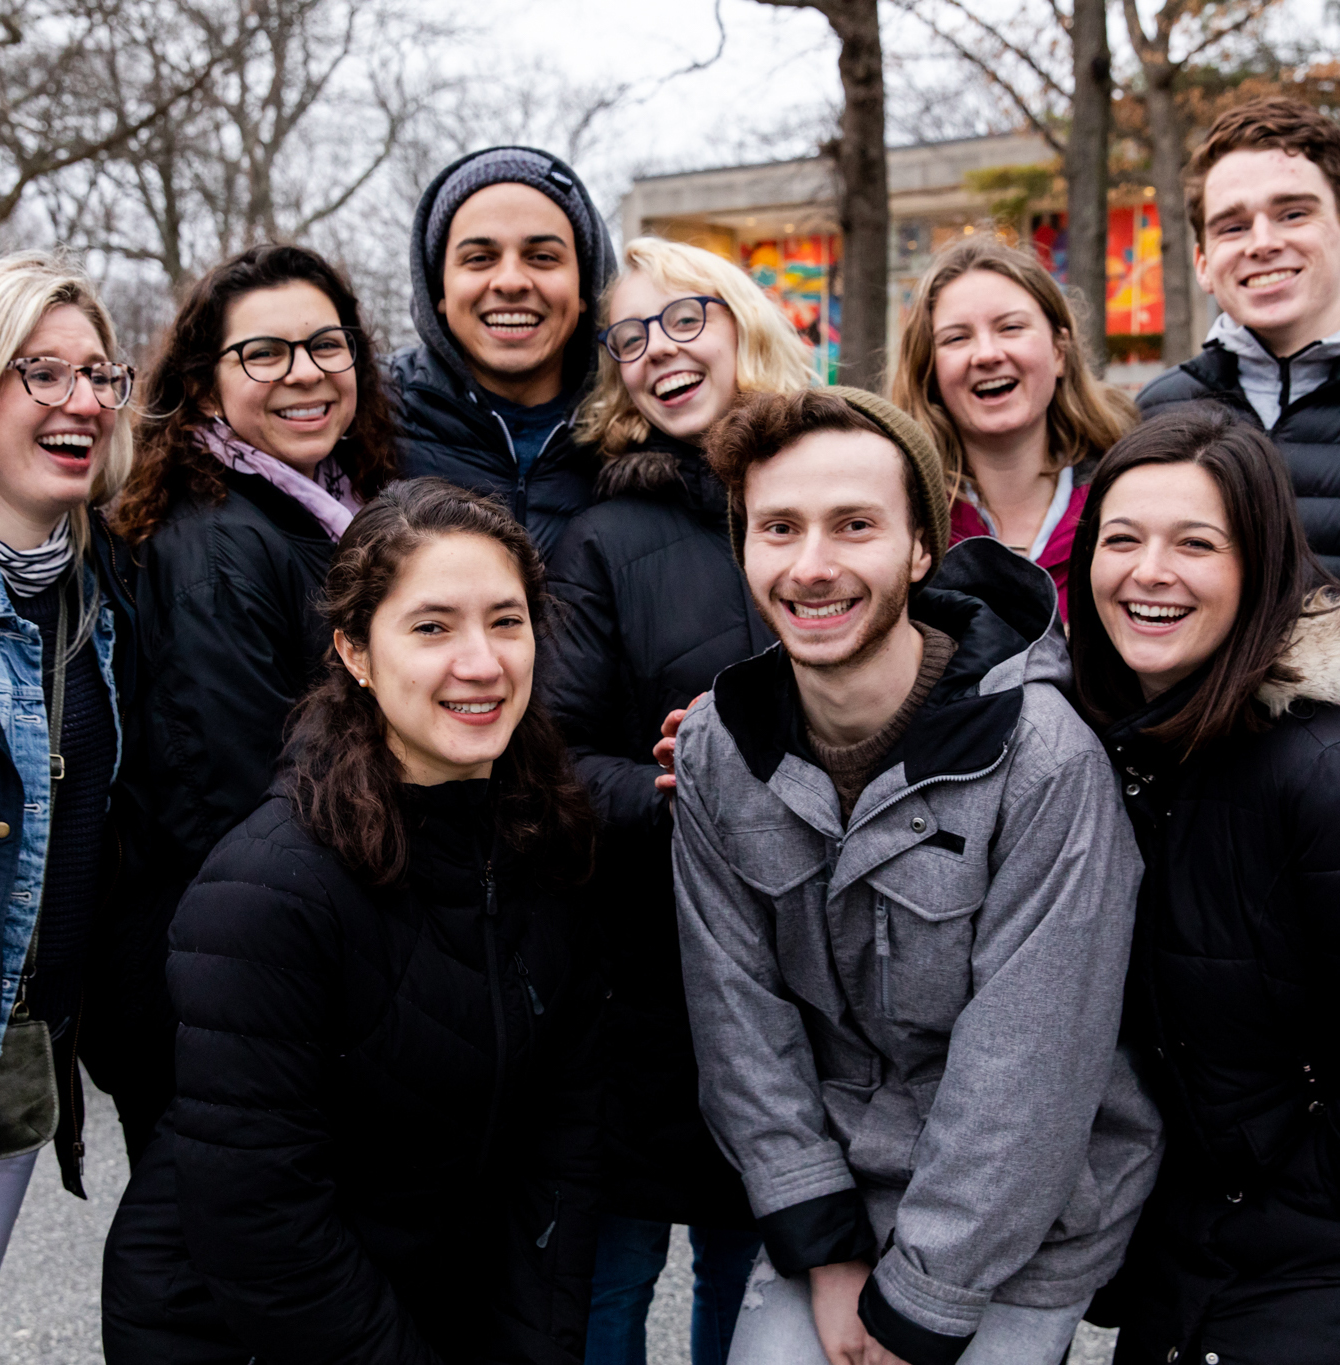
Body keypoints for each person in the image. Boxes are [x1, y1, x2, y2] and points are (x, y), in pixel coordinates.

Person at [669, 386, 1163, 1365]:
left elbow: (1029, 1072)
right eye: (779, 528)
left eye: (856, 526)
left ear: (920, 549)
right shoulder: (718, 749)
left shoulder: (1042, 757)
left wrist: (918, 1306)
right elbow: (739, 1023)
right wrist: (826, 1245)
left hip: (1021, 1216)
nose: (812, 565)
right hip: (842, 1185)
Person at [101, 478, 602, 1364]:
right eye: (432, 626)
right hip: (243, 1331)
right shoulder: (266, 887)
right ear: (356, 652)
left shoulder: (544, 839)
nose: (481, 662)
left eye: (507, 620)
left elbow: (557, 1147)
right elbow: (265, 1222)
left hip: (432, 1305)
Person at [542, 236, 816, 1365]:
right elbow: (551, 755)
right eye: (631, 336)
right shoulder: (606, 536)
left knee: (753, 1278)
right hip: (645, 973)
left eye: (684, 317)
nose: (659, 350)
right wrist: (677, 787)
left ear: (744, 320)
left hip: (809, 975)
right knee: (614, 1279)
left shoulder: (834, 481)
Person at [107, 244, 399, 1157]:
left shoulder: (329, 509)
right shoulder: (218, 543)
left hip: (275, 961)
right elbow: (238, 795)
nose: (303, 373)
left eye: (325, 345)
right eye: (263, 353)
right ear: (203, 385)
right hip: (224, 984)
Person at [1066, 405, 1340, 1365]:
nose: (1149, 571)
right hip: (1183, 1266)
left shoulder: (1316, 768)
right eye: (1122, 538)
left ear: (1259, 566)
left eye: (1196, 543)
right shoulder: (1107, 750)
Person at [0, 253, 137, 1327]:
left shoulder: (103, 588)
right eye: (42, 372)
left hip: (20, 1066)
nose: (83, 399)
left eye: (100, 374)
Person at [1138, 96, 1340, 574]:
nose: (1263, 243)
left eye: (1292, 213)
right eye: (1233, 226)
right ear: (1203, 265)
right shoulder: (1153, 413)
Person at [388, 145, 617, 563]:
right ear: (438, 291)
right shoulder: (365, 421)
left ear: (585, 289)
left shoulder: (643, 426)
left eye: (543, 257)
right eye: (479, 258)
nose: (510, 281)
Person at [892, 234, 1137, 619]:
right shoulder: (905, 524)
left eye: (1010, 328)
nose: (987, 354)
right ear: (929, 371)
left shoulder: (1129, 498)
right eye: (957, 338)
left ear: (1059, 351)